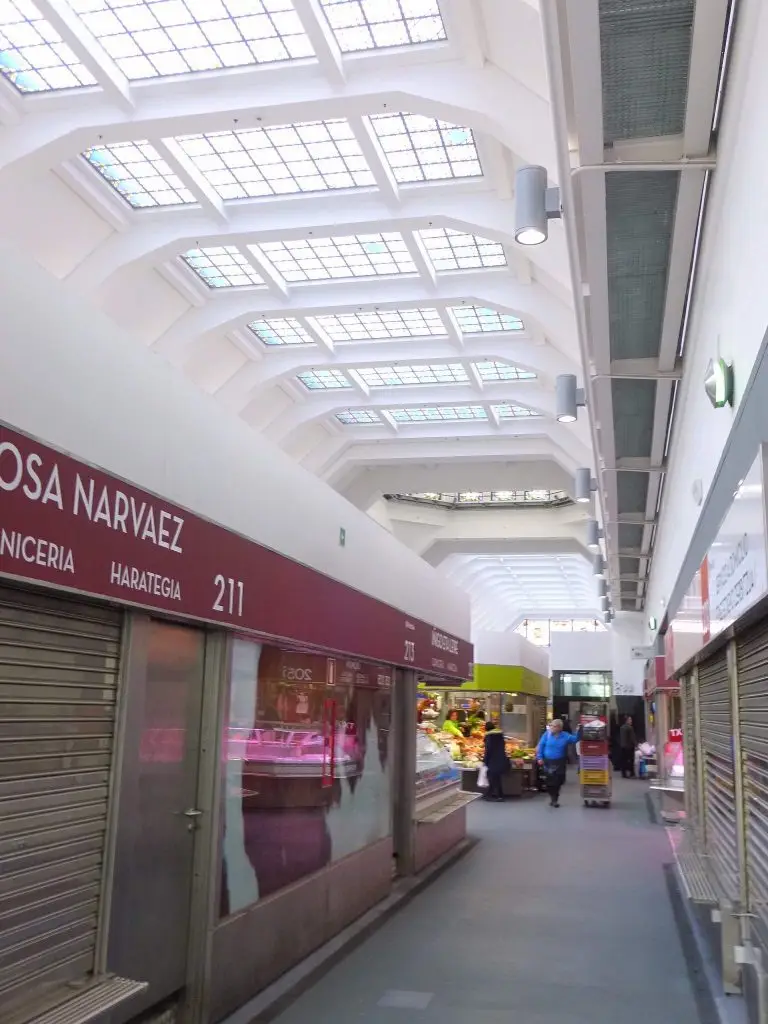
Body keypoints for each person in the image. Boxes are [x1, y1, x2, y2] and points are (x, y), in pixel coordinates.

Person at [536, 718, 580, 807]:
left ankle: (555, 797)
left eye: (554, 726)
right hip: (548, 761)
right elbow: (541, 746)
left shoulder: (565, 736)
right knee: (549, 781)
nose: (551, 727)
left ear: (559, 728)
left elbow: (575, 739)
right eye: (551, 725)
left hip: (560, 762)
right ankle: (553, 798)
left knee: (559, 780)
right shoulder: (547, 735)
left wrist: (578, 730)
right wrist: (539, 757)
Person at [483, 720, 508, 802]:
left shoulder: (489, 737)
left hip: (492, 760)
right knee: (496, 778)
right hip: (501, 758)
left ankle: (490, 794)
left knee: (492, 777)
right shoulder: (500, 735)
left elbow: (488, 750)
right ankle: (498, 795)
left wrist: (485, 760)